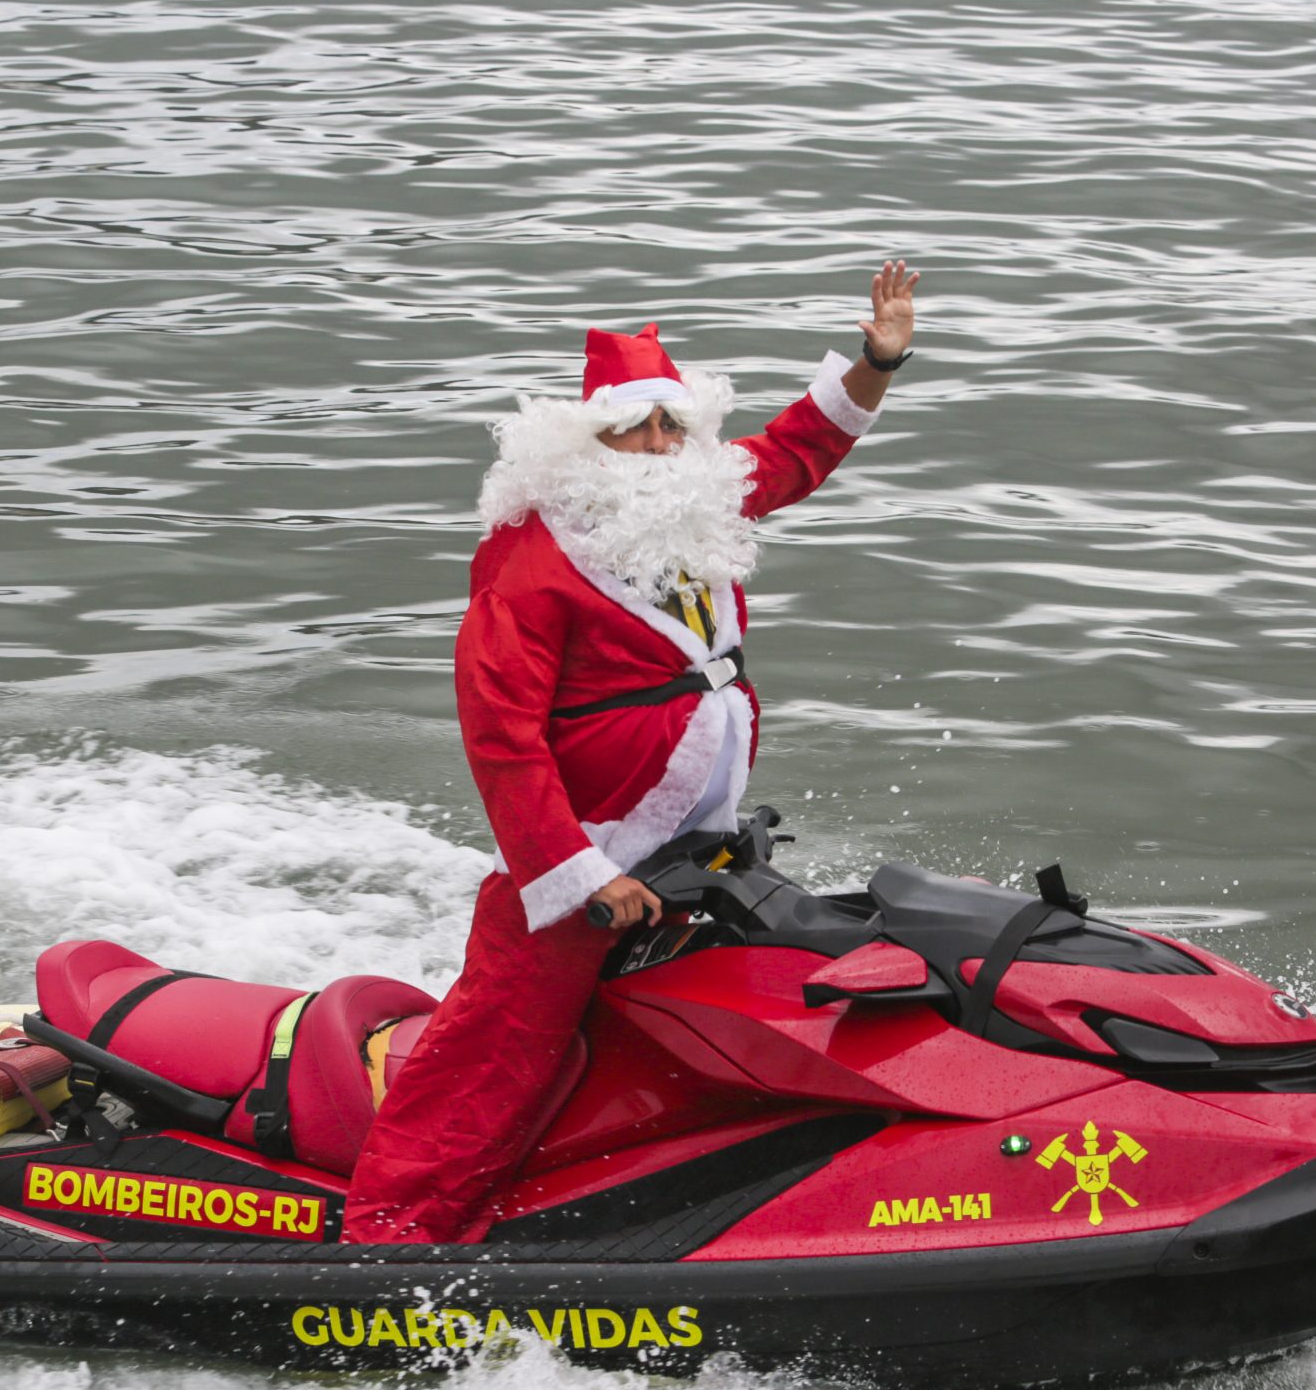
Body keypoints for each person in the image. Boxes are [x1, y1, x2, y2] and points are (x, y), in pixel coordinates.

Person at [340, 261, 922, 1243]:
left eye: (671, 428)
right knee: (500, 1048)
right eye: (632, 430)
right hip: (588, 853)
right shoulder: (529, 565)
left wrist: (875, 360)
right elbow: (501, 737)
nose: (657, 448)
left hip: (692, 846)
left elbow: (797, 450)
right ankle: (385, 1241)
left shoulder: (695, 511)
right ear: (585, 447)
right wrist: (575, 876)